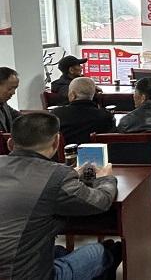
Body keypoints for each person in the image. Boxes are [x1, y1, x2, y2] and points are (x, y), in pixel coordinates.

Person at [0, 112, 121, 280]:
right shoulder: (57, 176)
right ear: (56, 142)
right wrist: (105, 178)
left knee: (58, 251)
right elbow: (101, 201)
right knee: (99, 252)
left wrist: (69, 174)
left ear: (10, 143)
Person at [51, 77, 115, 145]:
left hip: (64, 151)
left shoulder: (57, 114)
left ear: (72, 95)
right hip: (96, 151)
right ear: (93, 94)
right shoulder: (105, 116)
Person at [0, 67, 20, 132]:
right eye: (10, 88)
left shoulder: (3, 104)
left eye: (15, 88)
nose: (13, 93)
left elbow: (18, 117)